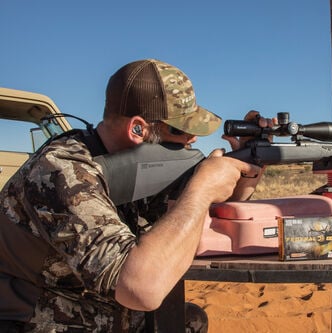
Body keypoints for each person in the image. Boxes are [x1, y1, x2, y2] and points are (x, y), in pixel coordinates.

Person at [0, 59, 275, 332]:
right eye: (181, 129)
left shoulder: (125, 167)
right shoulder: (62, 173)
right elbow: (142, 289)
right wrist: (201, 190)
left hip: (89, 304)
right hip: (38, 317)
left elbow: (194, 222)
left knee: (189, 320)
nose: (193, 139)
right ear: (137, 129)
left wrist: (248, 164)